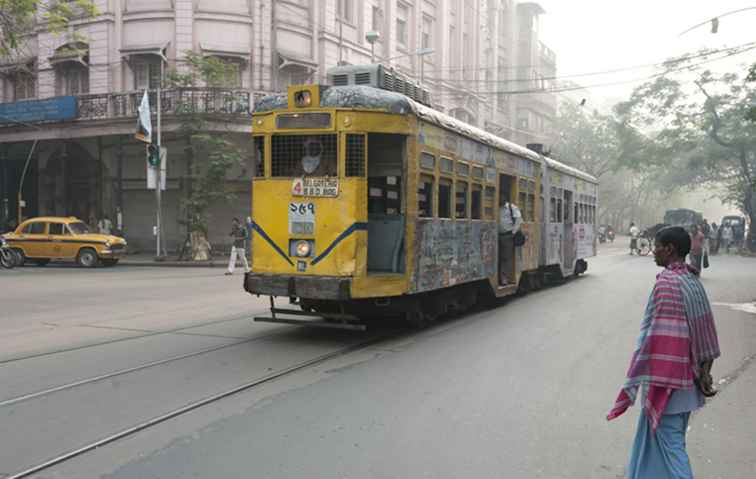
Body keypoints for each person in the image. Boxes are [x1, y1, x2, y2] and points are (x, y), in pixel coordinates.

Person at [607, 226, 720, 479]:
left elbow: (658, 340)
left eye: (657, 246)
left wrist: (637, 376)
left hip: (668, 386)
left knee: (672, 448)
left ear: (669, 250)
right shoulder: (692, 281)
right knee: (658, 442)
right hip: (689, 383)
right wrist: (704, 371)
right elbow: (707, 334)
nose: (654, 251)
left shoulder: (667, 285)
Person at [498, 200, 522, 285]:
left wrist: (513, 232)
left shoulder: (512, 208)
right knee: (497, 257)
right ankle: (498, 277)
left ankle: (504, 278)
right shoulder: (495, 205)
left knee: (506, 257)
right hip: (495, 235)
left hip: (507, 235)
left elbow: (519, 220)